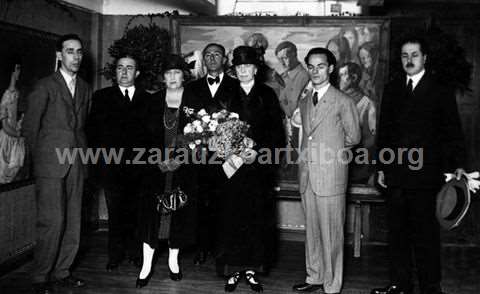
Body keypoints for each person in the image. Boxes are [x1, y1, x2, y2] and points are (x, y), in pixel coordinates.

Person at [371, 37, 466, 294]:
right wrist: (381, 166)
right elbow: (385, 132)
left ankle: (430, 287)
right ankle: (399, 285)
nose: (409, 60)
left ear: (425, 58)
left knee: (425, 235)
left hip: (426, 176)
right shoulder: (392, 88)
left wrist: (457, 164)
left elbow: (452, 129)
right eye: (404, 55)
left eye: (414, 55)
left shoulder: (439, 89)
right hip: (396, 174)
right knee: (397, 233)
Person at [22, 34, 91, 294]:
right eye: (70, 51)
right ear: (59, 55)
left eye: (79, 52)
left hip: (76, 161)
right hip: (50, 164)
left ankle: (62, 272)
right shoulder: (45, 85)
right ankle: (40, 276)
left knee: (74, 220)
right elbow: (31, 128)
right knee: (52, 221)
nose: (76, 56)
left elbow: (81, 127)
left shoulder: (84, 87)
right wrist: (39, 162)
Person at [217, 45, 285, 292]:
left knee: (257, 218)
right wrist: (227, 149)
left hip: (257, 168)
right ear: (234, 70)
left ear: (256, 68)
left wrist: (257, 151)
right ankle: (232, 269)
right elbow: (215, 129)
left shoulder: (267, 95)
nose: (243, 70)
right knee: (231, 217)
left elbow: (277, 133)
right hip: (231, 168)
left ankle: (253, 269)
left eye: (248, 66)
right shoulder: (225, 94)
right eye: (239, 66)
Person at [292, 47, 360, 294]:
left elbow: (354, 137)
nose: (315, 71)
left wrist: (330, 157)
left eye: (320, 66)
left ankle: (332, 285)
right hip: (307, 176)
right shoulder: (305, 100)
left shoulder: (343, 101)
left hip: (330, 176)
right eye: (311, 66)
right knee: (312, 231)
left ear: (331, 68)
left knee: (332, 234)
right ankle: (314, 277)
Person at [135, 54, 198, 288]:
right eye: (168, 73)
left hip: (183, 168)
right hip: (155, 168)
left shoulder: (194, 100)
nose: (172, 77)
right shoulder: (152, 101)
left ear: (184, 75)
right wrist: (156, 159)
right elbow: (141, 137)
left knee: (177, 214)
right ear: (163, 77)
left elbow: (201, 136)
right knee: (151, 215)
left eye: (177, 72)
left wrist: (181, 159)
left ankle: (173, 262)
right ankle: (146, 266)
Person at [86, 54, 150, 271]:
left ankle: (135, 253)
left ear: (137, 73)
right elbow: (93, 135)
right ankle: (115, 255)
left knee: (137, 213)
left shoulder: (148, 99)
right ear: (115, 72)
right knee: (115, 213)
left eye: (129, 68)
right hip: (111, 168)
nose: (124, 72)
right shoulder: (101, 97)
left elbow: (151, 137)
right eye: (120, 68)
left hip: (140, 169)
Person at [182, 43, 238, 266]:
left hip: (228, 157)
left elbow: (242, 120)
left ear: (224, 59)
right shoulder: (192, 88)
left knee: (227, 202)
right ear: (203, 60)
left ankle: (223, 249)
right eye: (208, 55)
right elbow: (186, 119)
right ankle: (202, 248)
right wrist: (198, 139)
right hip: (201, 156)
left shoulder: (236, 86)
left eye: (217, 54)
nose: (212, 58)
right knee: (201, 202)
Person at [338, 62, 377, 184]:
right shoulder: (335, 100)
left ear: (354, 78)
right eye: (339, 76)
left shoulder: (367, 105)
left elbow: (370, 141)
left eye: (343, 75)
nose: (339, 80)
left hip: (355, 166)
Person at [0, 58, 26, 183]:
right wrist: (18, 134)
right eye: (17, 69)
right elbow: (5, 125)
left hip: (15, 138)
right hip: (6, 140)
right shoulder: (6, 96)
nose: (19, 72)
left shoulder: (16, 92)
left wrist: (20, 123)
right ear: (11, 71)